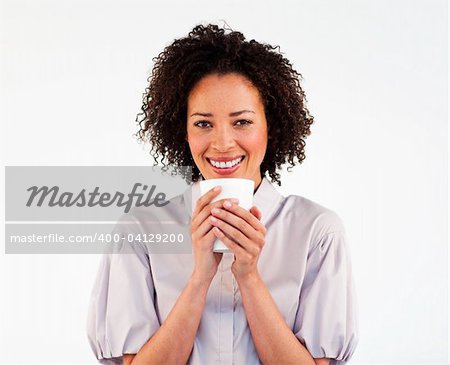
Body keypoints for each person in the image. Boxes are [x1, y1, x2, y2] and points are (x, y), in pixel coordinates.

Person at [87, 23, 359, 365]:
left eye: (242, 122)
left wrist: (248, 275)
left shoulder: (317, 232)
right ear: (182, 131)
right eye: (203, 123)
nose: (222, 143)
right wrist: (201, 277)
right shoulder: (139, 231)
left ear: (270, 127)